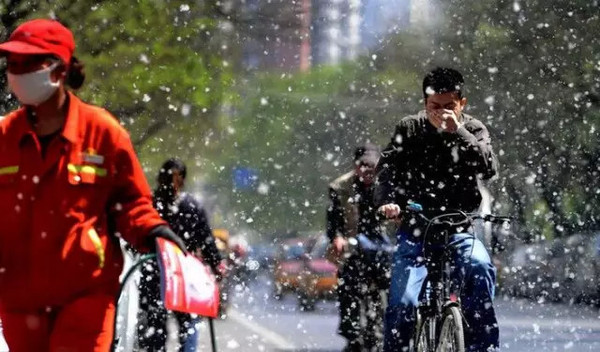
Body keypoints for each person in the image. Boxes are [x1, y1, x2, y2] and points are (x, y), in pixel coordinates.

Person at [0, 19, 186, 352]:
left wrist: (153, 231)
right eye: (12, 63)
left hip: (85, 295)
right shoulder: (4, 137)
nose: (17, 71)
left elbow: (130, 203)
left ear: (59, 70)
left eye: (29, 63)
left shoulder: (104, 133)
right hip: (17, 299)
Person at [375, 67, 499, 352]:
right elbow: (386, 171)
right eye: (435, 107)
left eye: (449, 107)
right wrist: (388, 202)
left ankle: (482, 347)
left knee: (479, 268)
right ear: (424, 103)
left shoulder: (475, 129)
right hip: (415, 229)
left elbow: (488, 168)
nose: (442, 113)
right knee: (402, 304)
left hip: (459, 228)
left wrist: (459, 132)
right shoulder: (409, 128)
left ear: (462, 104)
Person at [138, 158, 221, 352]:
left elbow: (206, 241)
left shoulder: (150, 204)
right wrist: (215, 264)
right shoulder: (184, 206)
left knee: (159, 327)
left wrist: (215, 264)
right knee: (184, 324)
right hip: (177, 276)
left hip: (162, 275)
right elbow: (206, 241)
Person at [326, 144, 391, 352]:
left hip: (382, 245)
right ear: (356, 167)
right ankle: (352, 334)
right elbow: (333, 220)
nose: (367, 171)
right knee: (349, 288)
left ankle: (381, 331)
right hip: (353, 245)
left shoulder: (388, 185)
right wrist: (337, 237)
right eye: (363, 166)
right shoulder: (341, 188)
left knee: (390, 288)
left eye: (372, 167)